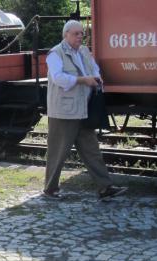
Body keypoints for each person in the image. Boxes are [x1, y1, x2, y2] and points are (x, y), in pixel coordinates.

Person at [44, 20, 127, 200]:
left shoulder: (84, 52)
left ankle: (105, 187)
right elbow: (59, 79)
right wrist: (84, 80)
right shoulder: (55, 54)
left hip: (83, 109)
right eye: (76, 33)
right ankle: (50, 189)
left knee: (92, 151)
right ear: (65, 35)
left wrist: (96, 79)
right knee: (58, 152)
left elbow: (94, 70)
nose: (80, 36)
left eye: (81, 33)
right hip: (63, 112)